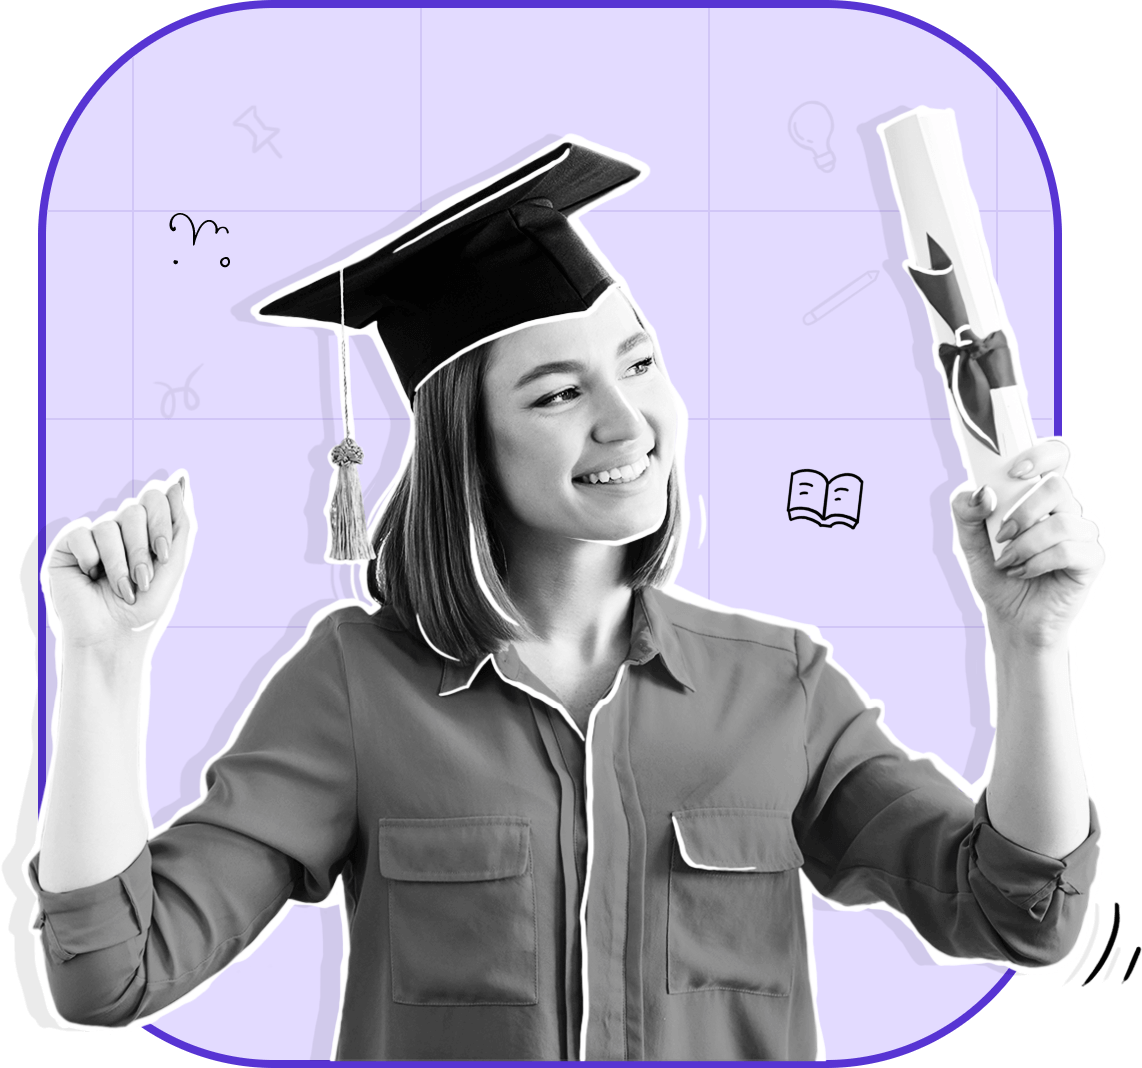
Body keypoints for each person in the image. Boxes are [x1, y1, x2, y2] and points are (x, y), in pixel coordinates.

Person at [28, 138, 1107, 1061]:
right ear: (467, 445)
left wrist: (1032, 647)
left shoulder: (780, 688)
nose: (626, 423)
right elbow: (111, 974)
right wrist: (102, 663)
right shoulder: (354, 688)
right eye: (557, 393)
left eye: (637, 364)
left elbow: (1018, 911)